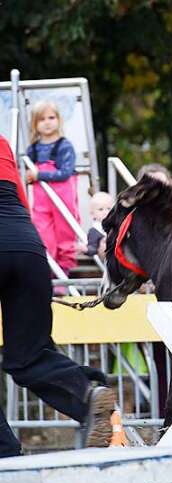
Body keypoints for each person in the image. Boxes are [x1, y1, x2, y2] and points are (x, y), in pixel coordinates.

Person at [0, 135, 118, 458]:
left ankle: (6, 456)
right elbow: (23, 204)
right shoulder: (2, 143)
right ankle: (85, 393)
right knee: (28, 356)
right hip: (28, 247)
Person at [24, 101, 80, 275]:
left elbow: (65, 173)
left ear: (59, 120)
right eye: (42, 119)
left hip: (63, 200)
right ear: (35, 124)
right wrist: (29, 177)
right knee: (43, 237)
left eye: (51, 117)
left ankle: (64, 276)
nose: (47, 122)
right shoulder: (31, 150)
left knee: (65, 238)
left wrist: (38, 175)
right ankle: (47, 275)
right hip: (41, 203)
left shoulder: (65, 146)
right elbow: (27, 175)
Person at [80, 191, 114, 258]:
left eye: (109, 209)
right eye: (100, 209)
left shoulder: (115, 226)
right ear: (92, 214)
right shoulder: (95, 230)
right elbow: (93, 248)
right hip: (107, 258)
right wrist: (85, 249)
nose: (106, 212)